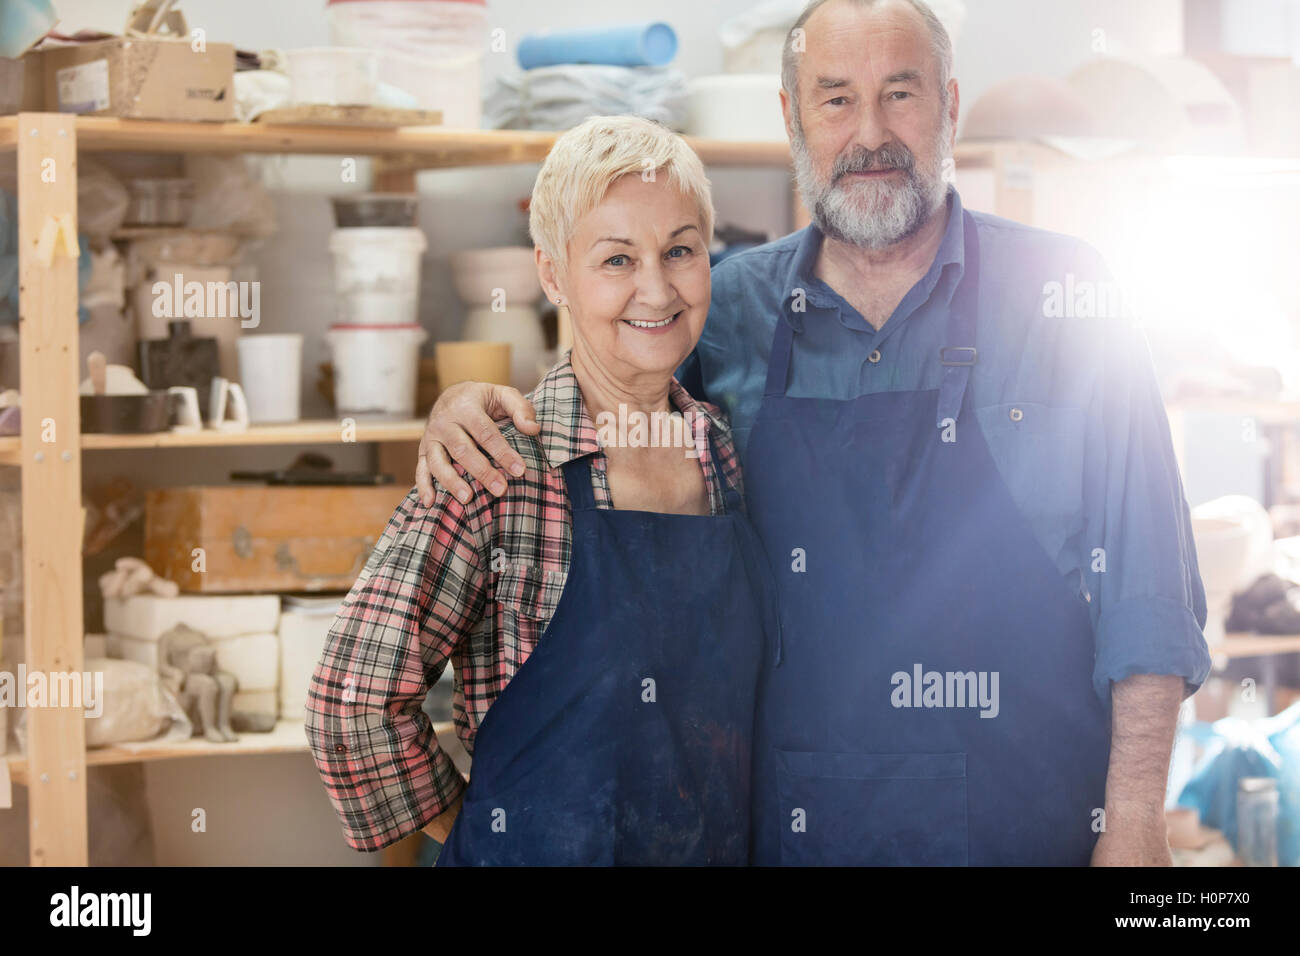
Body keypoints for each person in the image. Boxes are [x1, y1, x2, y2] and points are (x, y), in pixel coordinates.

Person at [415, 0, 1213, 866]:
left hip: (1030, 826)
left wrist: (1134, 821)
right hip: (793, 835)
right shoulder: (725, 312)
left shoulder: (1070, 294)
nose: (870, 133)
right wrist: (472, 402)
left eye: (899, 94)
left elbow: (1150, 592)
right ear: (792, 118)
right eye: (835, 99)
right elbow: (596, 419)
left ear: (949, 105)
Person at [306, 115, 776, 865]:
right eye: (616, 260)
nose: (656, 288)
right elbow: (351, 701)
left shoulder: (720, 451)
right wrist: (478, 833)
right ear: (553, 275)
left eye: (680, 251)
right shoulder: (500, 466)